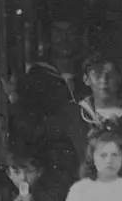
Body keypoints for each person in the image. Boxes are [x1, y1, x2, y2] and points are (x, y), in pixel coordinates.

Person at [44, 54, 122, 179]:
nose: (103, 79)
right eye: (96, 74)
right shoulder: (73, 116)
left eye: (110, 74)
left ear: (119, 77)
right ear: (86, 79)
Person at [6, 18, 84, 157]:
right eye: (57, 33)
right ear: (48, 37)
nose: (64, 38)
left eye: (70, 32)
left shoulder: (93, 72)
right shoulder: (36, 76)